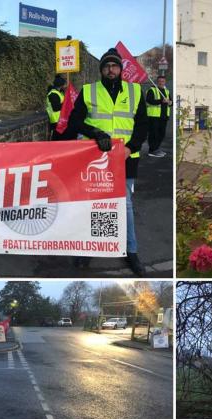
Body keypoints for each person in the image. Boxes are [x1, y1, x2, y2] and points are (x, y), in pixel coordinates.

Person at [69, 47, 148, 277]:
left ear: (121, 69)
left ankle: (131, 250)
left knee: (125, 206)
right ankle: (90, 245)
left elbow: (142, 125)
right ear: (101, 70)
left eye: (114, 66)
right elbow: (75, 121)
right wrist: (95, 132)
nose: (110, 69)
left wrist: (130, 148)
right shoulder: (88, 91)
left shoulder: (135, 91)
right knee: (93, 204)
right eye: (106, 66)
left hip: (125, 159)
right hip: (95, 159)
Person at [145, 75, 170, 157]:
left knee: (161, 134)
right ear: (157, 82)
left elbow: (171, 102)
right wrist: (161, 101)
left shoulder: (166, 91)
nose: (161, 83)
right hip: (153, 117)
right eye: (159, 81)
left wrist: (170, 102)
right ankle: (152, 150)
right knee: (153, 134)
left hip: (163, 116)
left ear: (165, 82)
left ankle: (156, 148)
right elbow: (149, 101)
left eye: (162, 81)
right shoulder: (152, 90)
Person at [46, 75, 73, 141]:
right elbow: (56, 107)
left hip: (61, 120)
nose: (65, 86)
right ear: (61, 85)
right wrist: (66, 104)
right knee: (58, 140)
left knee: (60, 139)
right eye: (64, 85)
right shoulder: (53, 94)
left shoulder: (59, 93)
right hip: (56, 120)